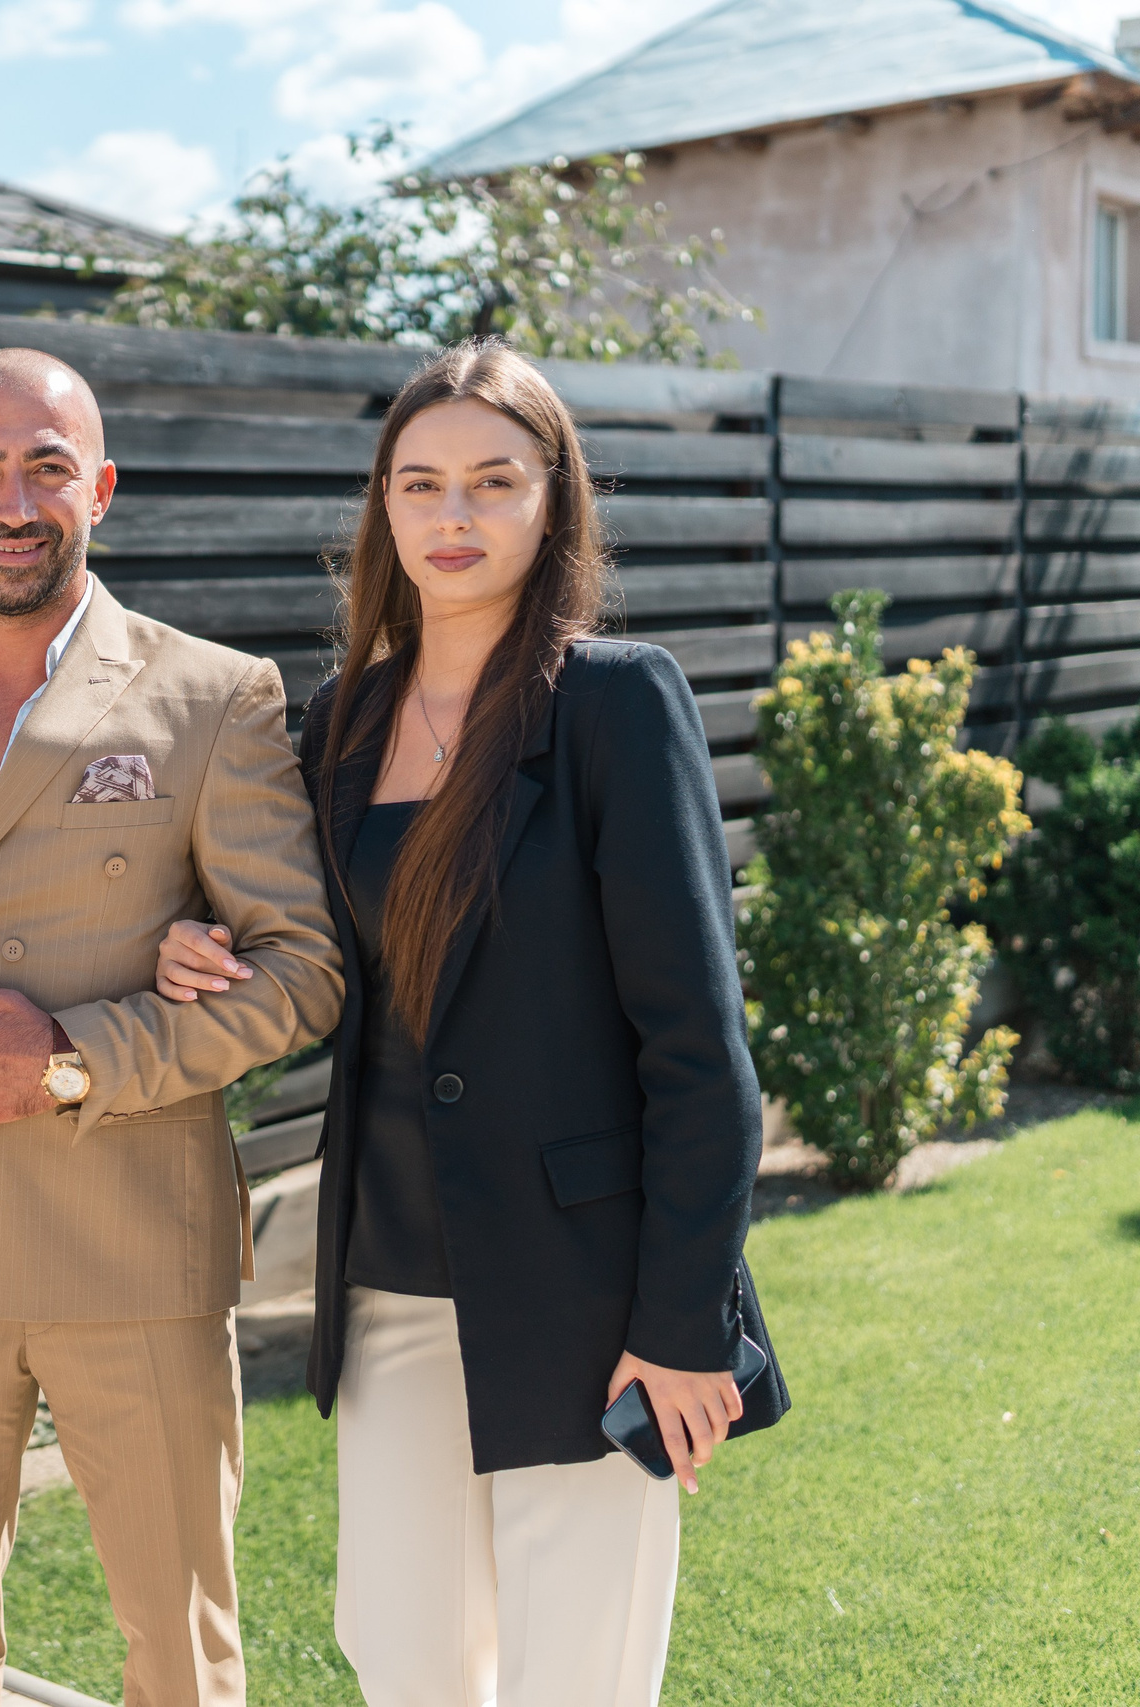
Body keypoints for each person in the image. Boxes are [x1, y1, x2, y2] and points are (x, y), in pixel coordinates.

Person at [155, 339, 789, 1706]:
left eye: (495, 481)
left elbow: (700, 1052)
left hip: (588, 1293)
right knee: (405, 1659)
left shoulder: (616, 703)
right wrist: (197, 943)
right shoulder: (338, 724)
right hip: (386, 1272)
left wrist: (682, 1323)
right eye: (422, 482)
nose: (455, 514)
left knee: (577, 1676)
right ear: (383, 505)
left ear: (553, 501)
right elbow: (307, 954)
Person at [0, 348, 345, 1707]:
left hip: (133, 1241)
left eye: (48, 467)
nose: (14, 501)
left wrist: (67, 1060)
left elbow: (301, 974)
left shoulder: (211, 697)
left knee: (180, 1653)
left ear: (100, 488)